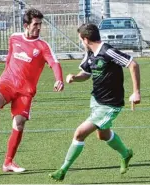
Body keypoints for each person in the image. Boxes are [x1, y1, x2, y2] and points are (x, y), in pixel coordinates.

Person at [49, 23, 141, 181]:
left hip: (110, 104)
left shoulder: (108, 51)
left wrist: (136, 92)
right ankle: (126, 154)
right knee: (103, 135)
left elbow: (133, 64)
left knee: (79, 133)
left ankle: (62, 170)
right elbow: (86, 73)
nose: (81, 42)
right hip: (96, 101)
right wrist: (75, 78)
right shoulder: (90, 53)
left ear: (85, 39)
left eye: (80, 39)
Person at [0, 8, 64, 173]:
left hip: (26, 91)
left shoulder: (43, 46)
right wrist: (5, 75)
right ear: (26, 25)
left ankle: (8, 162)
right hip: (8, 82)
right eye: (35, 24)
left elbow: (54, 63)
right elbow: (10, 57)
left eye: (40, 24)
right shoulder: (14, 38)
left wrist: (58, 79)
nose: (39, 28)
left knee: (19, 123)